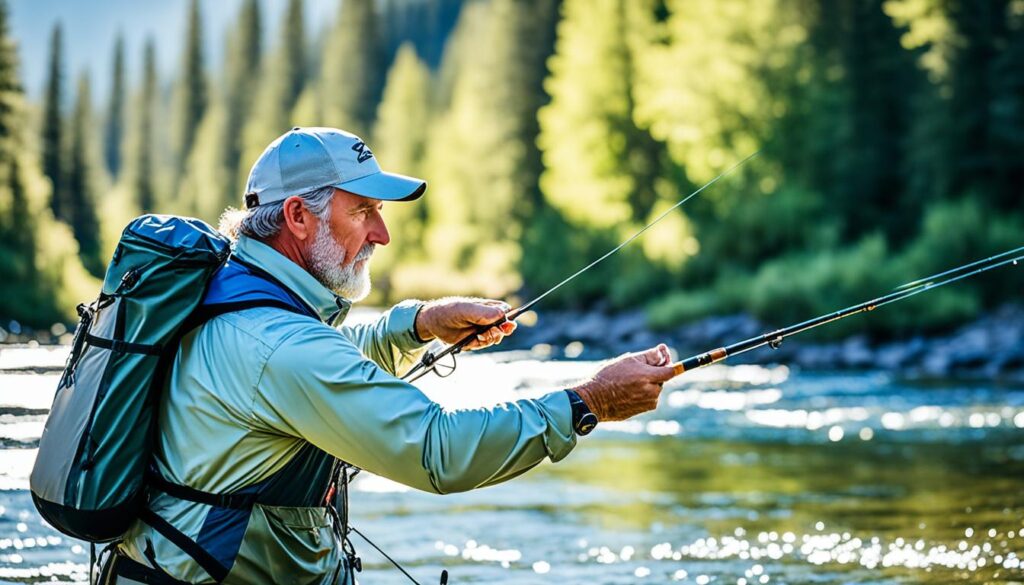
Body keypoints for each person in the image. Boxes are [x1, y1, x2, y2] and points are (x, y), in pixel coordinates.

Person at [97, 127, 677, 584]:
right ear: (298, 217)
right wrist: (588, 401)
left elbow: (316, 370)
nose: (381, 235)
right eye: (363, 212)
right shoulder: (279, 343)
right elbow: (437, 452)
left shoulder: (229, 293)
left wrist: (417, 324)